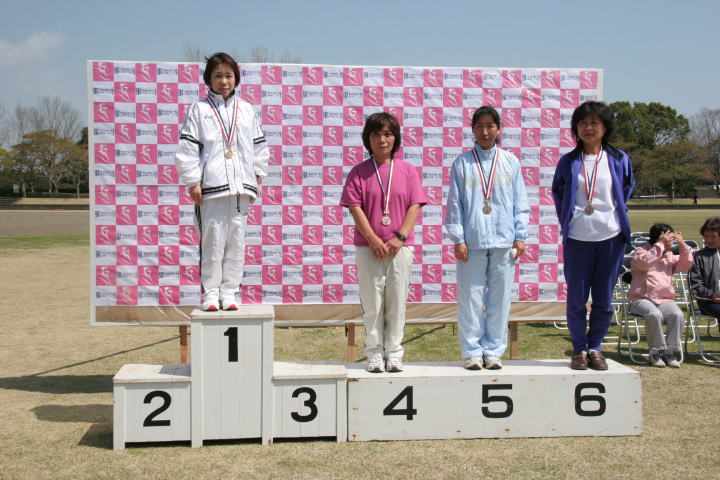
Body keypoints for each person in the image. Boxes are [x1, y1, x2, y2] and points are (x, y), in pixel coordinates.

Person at [175, 52, 269, 311]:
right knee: (212, 243)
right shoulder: (199, 109)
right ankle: (210, 293)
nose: (224, 81)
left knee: (236, 245)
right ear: (208, 79)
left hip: (241, 189)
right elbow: (188, 148)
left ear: (236, 78)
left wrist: (257, 177)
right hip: (211, 189)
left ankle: (230, 292)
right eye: (217, 76)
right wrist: (193, 181)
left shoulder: (246, 109)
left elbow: (259, 146)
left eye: (228, 75)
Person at [340, 112, 427, 373]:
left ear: (395, 138)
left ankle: (394, 352)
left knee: (397, 302)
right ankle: (375, 353)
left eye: (388, 134)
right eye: (376, 134)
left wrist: (399, 238)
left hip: (400, 248)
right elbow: (354, 207)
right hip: (368, 248)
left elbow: (415, 205)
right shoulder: (359, 172)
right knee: (372, 303)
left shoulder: (408, 170)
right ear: (368, 139)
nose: (382, 140)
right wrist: (373, 239)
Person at [552, 101, 635, 370]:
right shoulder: (568, 161)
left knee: (603, 298)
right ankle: (579, 349)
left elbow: (627, 187)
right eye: (583, 123)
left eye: (594, 123)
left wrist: (614, 212)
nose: (588, 128)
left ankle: (596, 347)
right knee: (576, 299)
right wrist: (569, 217)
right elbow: (558, 192)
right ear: (576, 128)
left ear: (605, 127)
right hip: (578, 238)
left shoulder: (619, 158)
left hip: (611, 236)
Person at [445, 106, 529, 370]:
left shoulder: (510, 162)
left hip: (504, 240)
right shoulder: (462, 163)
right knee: (470, 298)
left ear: (498, 129)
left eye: (490, 126)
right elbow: (454, 204)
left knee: (500, 299)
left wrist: (520, 235)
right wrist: (458, 238)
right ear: (472, 130)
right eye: (479, 126)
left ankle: (493, 350)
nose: (484, 131)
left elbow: (520, 202)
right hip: (473, 241)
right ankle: (472, 351)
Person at [628, 223, 692, 368]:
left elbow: (687, 264)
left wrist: (682, 244)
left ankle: (670, 352)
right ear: (659, 239)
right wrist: (660, 246)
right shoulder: (640, 252)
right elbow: (645, 263)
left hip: (664, 299)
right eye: (669, 239)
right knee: (653, 314)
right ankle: (655, 352)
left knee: (677, 314)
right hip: (640, 299)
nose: (671, 243)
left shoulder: (669, 255)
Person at [688, 216, 720, 324]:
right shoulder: (698, 257)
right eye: (706, 236)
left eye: (713, 236)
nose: (709, 240)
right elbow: (695, 286)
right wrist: (712, 295)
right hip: (709, 302)